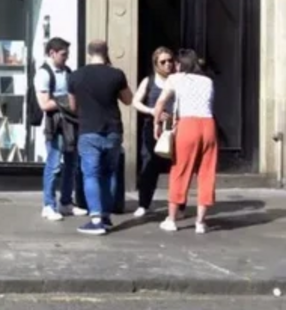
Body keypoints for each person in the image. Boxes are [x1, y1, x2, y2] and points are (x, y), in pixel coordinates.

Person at [67, 39, 132, 235]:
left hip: (89, 130)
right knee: (108, 174)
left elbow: (72, 106)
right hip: (113, 130)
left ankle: (95, 219)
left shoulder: (76, 76)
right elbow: (128, 100)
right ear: (106, 52)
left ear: (89, 53)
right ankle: (105, 215)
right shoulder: (116, 74)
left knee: (91, 174)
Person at [153, 49, 217, 234]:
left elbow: (160, 103)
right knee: (207, 173)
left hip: (188, 124)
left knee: (180, 170)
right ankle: (200, 222)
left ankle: (172, 219)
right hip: (208, 124)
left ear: (180, 64)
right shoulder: (208, 80)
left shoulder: (175, 78)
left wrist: (157, 124)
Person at [34, 37, 84, 221]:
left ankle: (66, 202)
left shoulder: (67, 71)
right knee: (54, 164)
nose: (66, 58)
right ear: (52, 53)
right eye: (63, 54)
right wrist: (67, 101)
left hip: (71, 123)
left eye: (67, 54)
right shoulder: (44, 74)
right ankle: (48, 205)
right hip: (55, 124)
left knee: (71, 163)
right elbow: (44, 104)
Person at [132, 47, 175, 217]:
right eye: (163, 62)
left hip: (174, 127)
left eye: (170, 60)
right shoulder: (148, 81)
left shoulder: (178, 80)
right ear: (155, 64)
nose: (168, 65)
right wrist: (152, 111)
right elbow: (136, 101)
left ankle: (178, 204)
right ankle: (144, 203)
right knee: (148, 164)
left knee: (176, 167)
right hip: (152, 127)